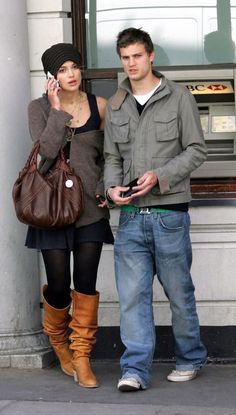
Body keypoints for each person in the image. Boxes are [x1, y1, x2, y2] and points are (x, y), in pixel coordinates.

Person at [104, 27, 208, 392]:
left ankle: (191, 358)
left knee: (179, 293)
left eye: (136, 56)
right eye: (125, 57)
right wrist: (111, 187)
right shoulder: (116, 103)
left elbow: (197, 150)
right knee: (132, 298)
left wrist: (160, 176)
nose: (131, 63)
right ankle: (134, 370)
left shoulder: (179, 97)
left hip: (169, 215)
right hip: (130, 218)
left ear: (151, 56)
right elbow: (112, 157)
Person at [25, 42, 114, 388]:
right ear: (51, 76)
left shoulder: (99, 105)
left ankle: (81, 355)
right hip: (52, 209)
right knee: (60, 285)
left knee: (86, 284)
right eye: (62, 70)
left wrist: (107, 186)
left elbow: (111, 156)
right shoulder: (39, 108)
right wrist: (57, 110)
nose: (71, 74)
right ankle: (59, 342)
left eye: (74, 66)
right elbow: (44, 155)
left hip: (91, 209)